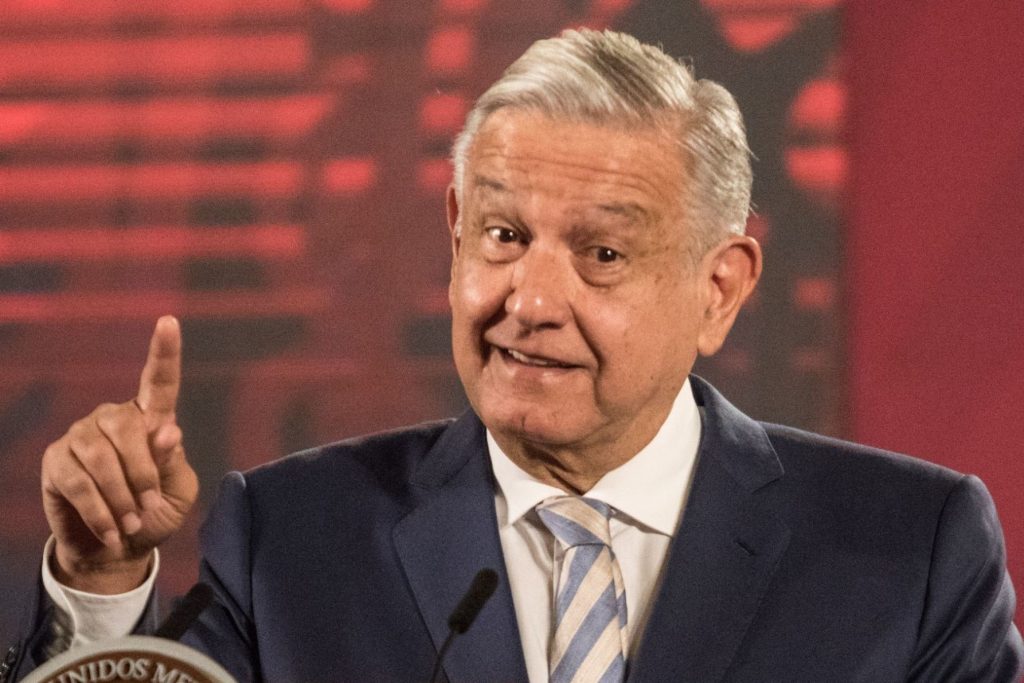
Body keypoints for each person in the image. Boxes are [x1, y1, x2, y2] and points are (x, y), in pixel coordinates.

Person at [7, 29, 1022, 682]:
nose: (529, 301)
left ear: (720, 288)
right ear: (455, 233)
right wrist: (102, 582)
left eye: (602, 254)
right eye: (502, 236)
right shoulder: (292, 539)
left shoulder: (910, 549)